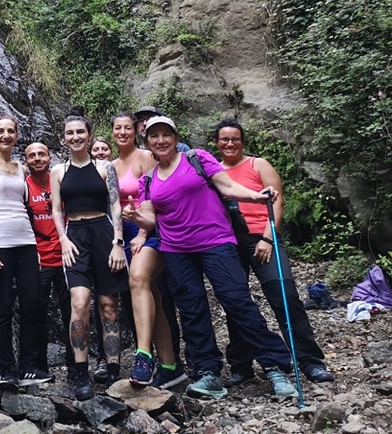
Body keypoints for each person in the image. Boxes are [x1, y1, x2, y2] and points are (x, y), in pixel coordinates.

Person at [124, 115, 299, 400]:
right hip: (176, 249)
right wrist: (133, 217)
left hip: (215, 241)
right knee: (192, 311)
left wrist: (257, 196)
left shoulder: (197, 158)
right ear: (148, 143)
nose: (160, 140)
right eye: (154, 136)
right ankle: (209, 373)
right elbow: (149, 220)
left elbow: (227, 187)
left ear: (176, 137)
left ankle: (275, 365)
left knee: (237, 302)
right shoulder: (148, 180)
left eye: (166, 134)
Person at [213, 118, 334, 385]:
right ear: (217, 143)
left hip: (262, 236)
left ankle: (309, 361)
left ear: (242, 141)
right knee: (237, 302)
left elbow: (277, 201)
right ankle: (241, 364)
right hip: (229, 241)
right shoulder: (214, 172)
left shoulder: (258, 164)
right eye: (224, 139)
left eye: (235, 138)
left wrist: (268, 237)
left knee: (285, 295)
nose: (230, 143)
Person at [51, 114, 128, 401]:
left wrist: (118, 242)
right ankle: (81, 372)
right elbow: (57, 209)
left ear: (89, 134)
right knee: (80, 303)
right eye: (69, 133)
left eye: (80, 132)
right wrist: (63, 239)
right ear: (63, 137)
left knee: (109, 306)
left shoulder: (105, 166)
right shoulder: (58, 171)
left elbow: (115, 204)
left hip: (103, 233)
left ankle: (112, 370)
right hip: (75, 237)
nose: (75, 137)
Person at [0, 114, 51, 389]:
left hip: (27, 243)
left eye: (10, 131)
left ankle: (29, 366)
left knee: (32, 304)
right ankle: (7, 369)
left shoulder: (21, 168)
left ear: (16, 135)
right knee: (2, 307)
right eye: (0, 131)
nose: (5, 135)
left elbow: (30, 207)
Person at [110, 112, 185, 389]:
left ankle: (144, 356)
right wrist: (118, 239)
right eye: (117, 128)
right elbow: (115, 207)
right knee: (150, 296)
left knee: (139, 280)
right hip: (127, 235)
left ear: (136, 131)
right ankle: (170, 365)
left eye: (127, 128)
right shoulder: (110, 165)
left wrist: (142, 233)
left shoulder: (146, 157)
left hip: (151, 232)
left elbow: (156, 193)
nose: (122, 132)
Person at [25, 142, 73, 380]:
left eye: (41, 154)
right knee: (36, 313)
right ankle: (38, 366)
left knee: (72, 312)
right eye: (31, 155)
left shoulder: (62, 182)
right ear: (26, 161)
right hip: (39, 258)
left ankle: (76, 365)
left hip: (66, 256)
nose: (37, 158)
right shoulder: (24, 186)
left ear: (49, 157)